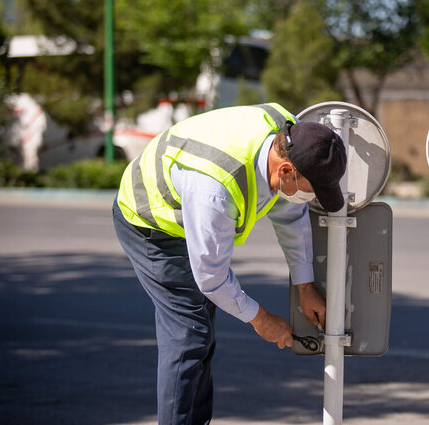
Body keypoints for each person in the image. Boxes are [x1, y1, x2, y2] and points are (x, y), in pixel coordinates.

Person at [112, 103, 347, 425]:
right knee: (188, 335)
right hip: (151, 218)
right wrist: (261, 318)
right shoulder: (215, 191)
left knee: (200, 334)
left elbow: (290, 217)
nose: (311, 198)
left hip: (192, 202)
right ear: (286, 171)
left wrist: (305, 286)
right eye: (311, 190)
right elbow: (211, 277)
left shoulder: (292, 136)